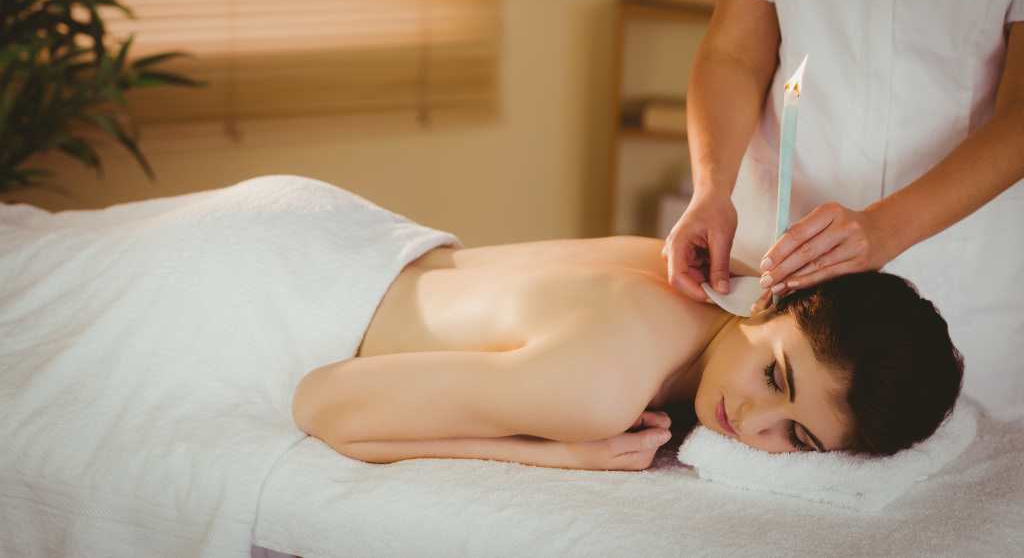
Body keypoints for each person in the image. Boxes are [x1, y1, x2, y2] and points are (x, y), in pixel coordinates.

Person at [663, 0, 1024, 419]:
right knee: (750, 425)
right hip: (776, 252)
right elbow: (733, 51)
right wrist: (712, 189)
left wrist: (886, 229)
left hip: (961, 263)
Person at [293, 233, 963, 471]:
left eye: (797, 437)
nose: (751, 421)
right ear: (774, 302)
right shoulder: (599, 394)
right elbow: (323, 403)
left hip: (346, 239)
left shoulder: (695, 270)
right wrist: (558, 453)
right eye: (773, 376)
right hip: (293, 298)